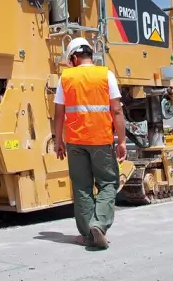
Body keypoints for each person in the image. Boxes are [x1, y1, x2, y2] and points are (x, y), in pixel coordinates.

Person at [53, 37, 127, 249]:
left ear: (74, 58)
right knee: (108, 183)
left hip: (75, 142)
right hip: (100, 140)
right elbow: (117, 110)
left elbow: (58, 114)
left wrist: (58, 141)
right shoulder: (106, 75)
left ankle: (87, 234)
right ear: (89, 55)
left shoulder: (65, 78)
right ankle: (99, 225)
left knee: (82, 187)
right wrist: (121, 141)